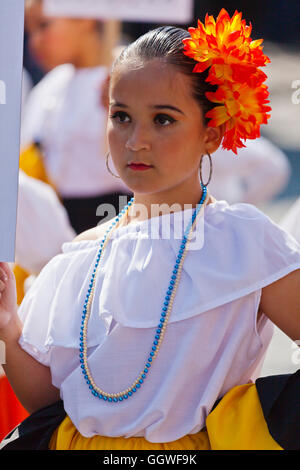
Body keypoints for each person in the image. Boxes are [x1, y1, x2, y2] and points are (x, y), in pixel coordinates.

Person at [1, 9, 300, 451]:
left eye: (163, 119)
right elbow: (51, 402)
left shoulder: (244, 241)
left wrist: (246, 427)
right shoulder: (80, 254)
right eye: (121, 116)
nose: (136, 140)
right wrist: (8, 329)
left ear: (212, 133)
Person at [21, 0, 130, 234]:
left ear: (85, 17)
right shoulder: (49, 87)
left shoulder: (131, 77)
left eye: (44, 26)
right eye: (30, 32)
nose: (34, 42)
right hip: (60, 227)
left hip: (118, 220)